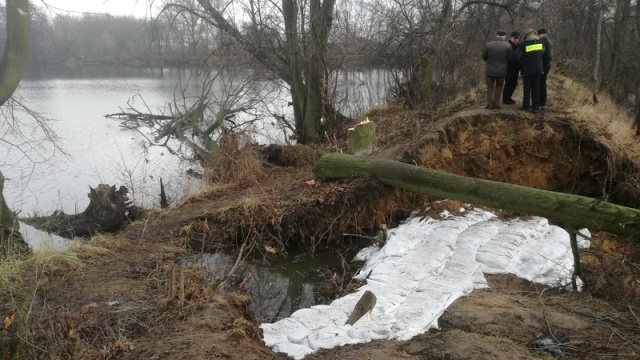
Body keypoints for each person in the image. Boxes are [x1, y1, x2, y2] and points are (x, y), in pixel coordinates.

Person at [515, 28, 545, 113]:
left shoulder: (523, 44)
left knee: (527, 88)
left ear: (526, 35)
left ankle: (526, 106)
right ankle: (535, 106)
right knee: (536, 88)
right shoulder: (541, 43)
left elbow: (517, 56)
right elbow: (542, 52)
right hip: (538, 69)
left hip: (527, 70)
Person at [481, 31, 513, 109]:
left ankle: (489, 104)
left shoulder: (489, 45)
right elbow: (510, 59)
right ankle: (496, 104)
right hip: (501, 71)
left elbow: (483, 56)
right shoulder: (508, 46)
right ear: (505, 37)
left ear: (497, 36)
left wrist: (489, 62)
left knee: (489, 87)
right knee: (499, 87)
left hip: (490, 70)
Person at [502, 31, 520, 105]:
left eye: (517, 38)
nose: (516, 40)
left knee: (514, 83)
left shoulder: (518, 46)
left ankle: (508, 97)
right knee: (509, 83)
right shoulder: (507, 45)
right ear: (511, 38)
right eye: (514, 38)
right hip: (508, 67)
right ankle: (506, 99)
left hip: (516, 68)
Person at [537, 28, 553, 109]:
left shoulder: (544, 42)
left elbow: (549, 56)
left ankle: (542, 103)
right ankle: (541, 102)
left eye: (538, 35)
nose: (538, 36)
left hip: (543, 67)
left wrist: (542, 64)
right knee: (541, 84)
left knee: (541, 84)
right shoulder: (548, 41)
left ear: (542, 34)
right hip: (545, 66)